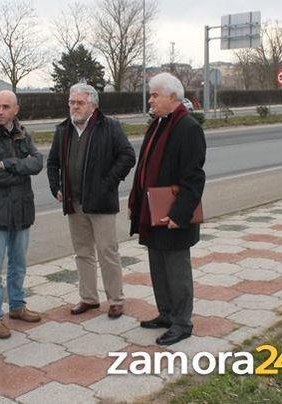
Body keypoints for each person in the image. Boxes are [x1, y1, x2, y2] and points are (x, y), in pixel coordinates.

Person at [128, 73, 206, 346]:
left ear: (172, 97)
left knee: (176, 271)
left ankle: (182, 322)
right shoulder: (158, 125)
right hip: (152, 211)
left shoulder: (187, 128)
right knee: (158, 268)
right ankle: (166, 313)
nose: (150, 100)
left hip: (173, 213)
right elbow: (145, 168)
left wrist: (179, 215)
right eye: (150, 94)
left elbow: (194, 178)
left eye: (154, 95)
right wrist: (136, 204)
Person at [47, 83, 136, 319]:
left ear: (93, 105)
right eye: (72, 102)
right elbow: (52, 162)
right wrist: (55, 186)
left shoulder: (109, 127)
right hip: (74, 203)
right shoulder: (63, 130)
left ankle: (116, 300)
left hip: (101, 203)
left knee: (107, 251)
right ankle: (88, 298)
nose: (75, 107)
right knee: (82, 252)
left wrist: (107, 184)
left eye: (80, 103)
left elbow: (127, 156)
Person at [0, 90, 43, 339]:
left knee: (19, 264)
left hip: (22, 210)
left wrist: (11, 164)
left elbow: (37, 163)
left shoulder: (23, 134)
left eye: (5, 107)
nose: (0, 111)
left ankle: (17, 306)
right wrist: (21, 168)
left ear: (16, 109)